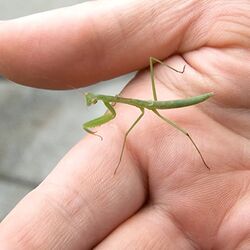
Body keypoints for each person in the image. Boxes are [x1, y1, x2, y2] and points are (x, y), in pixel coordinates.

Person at [0, 0, 249, 249]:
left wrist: (117, 154)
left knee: (179, 126)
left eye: (91, 98)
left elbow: (116, 119)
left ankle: (197, 155)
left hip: (168, 103)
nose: (90, 100)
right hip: (158, 103)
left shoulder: (119, 106)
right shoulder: (117, 105)